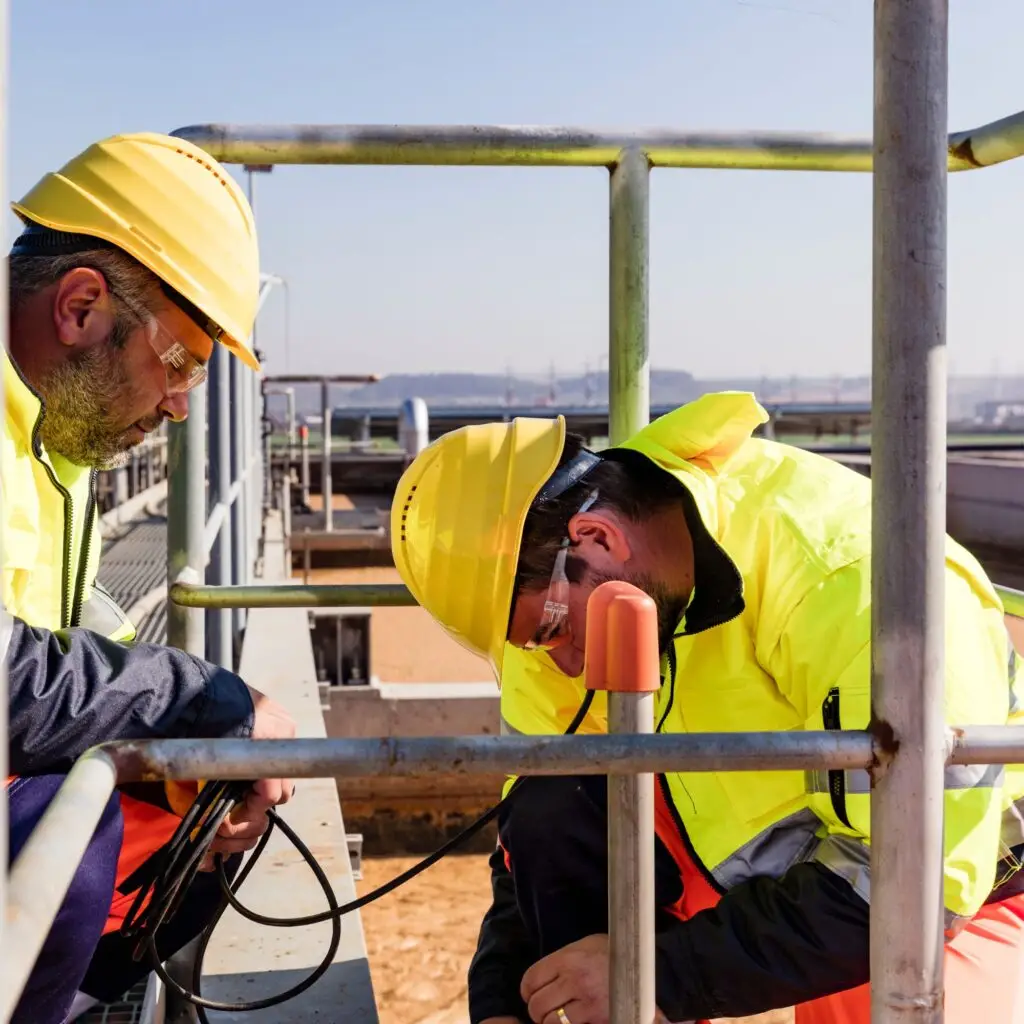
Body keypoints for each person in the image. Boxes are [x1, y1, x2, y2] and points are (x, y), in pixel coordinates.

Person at [390, 391, 1024, 1024]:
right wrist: (505, 997)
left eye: (550, 634)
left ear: (596, 536)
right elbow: (532, 835)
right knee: (551, 805)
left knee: (897, 1001)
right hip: (754, 874)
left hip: (958, 888)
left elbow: (913, 885)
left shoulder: (850, 578)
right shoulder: (565, 599)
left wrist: (657, 979)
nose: (564, 666)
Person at [3, 132, 295, 1023]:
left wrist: (200, 749)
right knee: (74, 838)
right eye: (179, 365)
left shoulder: (49, 440)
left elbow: (69, 625)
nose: (178, 406)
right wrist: (204, 700)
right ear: (82, 306)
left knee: (199, 821)